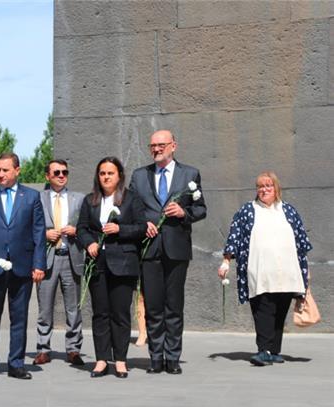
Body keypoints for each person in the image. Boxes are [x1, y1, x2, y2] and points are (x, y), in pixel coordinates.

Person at [129, 130, 206, 374]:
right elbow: (131, 210)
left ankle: (172, 358)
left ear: (174, 146)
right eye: (152, 145)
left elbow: (201, 208)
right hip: (149, 249)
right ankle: (155, 357)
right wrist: (143, 225)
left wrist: (184, 213)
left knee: (174, 306)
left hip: (176, 249)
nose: (156, 149)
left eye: (161, 145)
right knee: (153, 306)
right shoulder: (139, 176)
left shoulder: (190, 174)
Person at [218, 172, 312, 366]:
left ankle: (275, 351)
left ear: (276, 188)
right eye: (260, 186)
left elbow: (301, 243)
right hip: (258, 271)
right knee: (263, 310)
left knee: (280, 310)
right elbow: (234, 237)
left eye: (268, 186)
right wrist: (226, 261)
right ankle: (264, 350)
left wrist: (306, 271)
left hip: (287, 272)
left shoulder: (288, 211)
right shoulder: (248, 210)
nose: (264, 190)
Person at [0, 153, 46, 380]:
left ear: (17, 170)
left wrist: (39, 264)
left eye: (5, 170)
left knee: (19, 318)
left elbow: (39, 233)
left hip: (22, 267)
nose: (1, 174)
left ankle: (16, 364)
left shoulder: (31, 197)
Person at [77, 157, 145, 379]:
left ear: (119, 176)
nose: (106, 177)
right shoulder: (90, 201)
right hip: (98, 264)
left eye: (110, 173)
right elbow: (82, 228)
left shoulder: (131, 199)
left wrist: (120, 229)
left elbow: (141, 227)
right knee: (101, 313)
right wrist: (89, 243)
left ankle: (121, 360)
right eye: (102, 173)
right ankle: (101, 359)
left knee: (120, 314)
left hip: (123, 264)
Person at [34, 160, 86, 367]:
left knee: (73, 308)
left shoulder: (79, 199)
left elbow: (87, 226)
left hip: (71, 257)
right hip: (48, 258)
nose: (61, 175)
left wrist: (77, 231)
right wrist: (44, 233)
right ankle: (43, 349)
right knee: (44, 308)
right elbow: (29, 225)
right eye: (56, 172)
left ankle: (73, 349)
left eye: (65, 172)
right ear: (47, 176)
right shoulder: (38, 198)